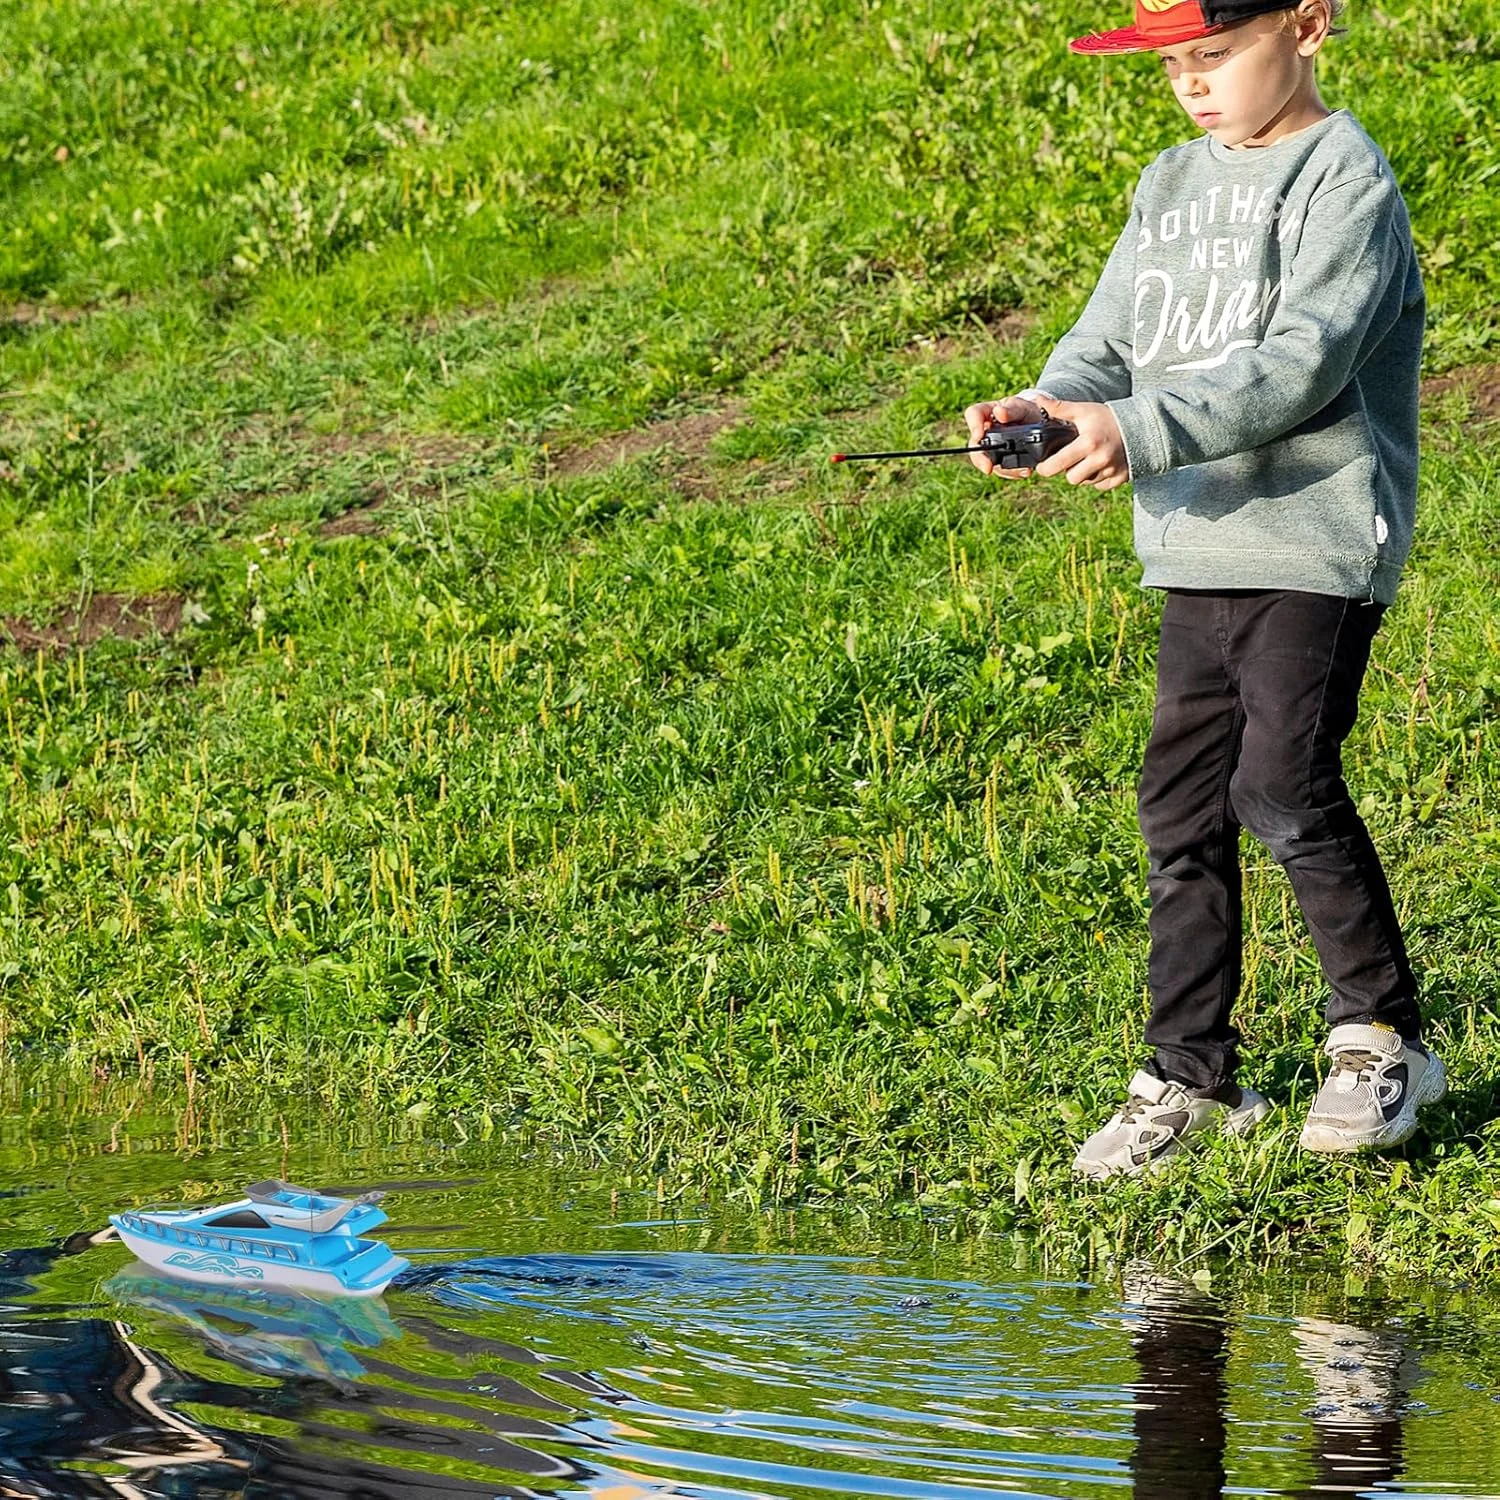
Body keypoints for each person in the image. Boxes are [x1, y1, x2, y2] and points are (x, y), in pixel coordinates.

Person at [963, 0, 1444, 1176]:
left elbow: (1298, 365)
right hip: (1195, 542)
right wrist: (1047, 405)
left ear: (1308, 25)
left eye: (1214, 54)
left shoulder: (1345, 181)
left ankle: (1382, 1040)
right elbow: (1107, 342)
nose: (1191, 82)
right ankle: (1192, 1076)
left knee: (1282, 785)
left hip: (1311, 540)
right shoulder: (1171, 183)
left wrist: (1135, 430)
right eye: (1173, 63)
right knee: (1179, 812)